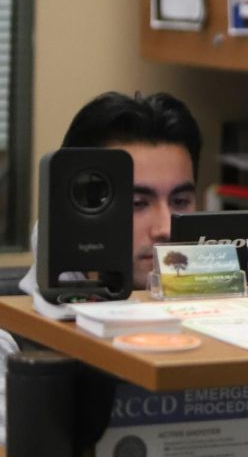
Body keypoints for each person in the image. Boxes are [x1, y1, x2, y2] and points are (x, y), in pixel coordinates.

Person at [0, 91, 202, 444]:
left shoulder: (228, 311)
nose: (166, 227)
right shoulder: (14, 346)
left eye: (181, 200)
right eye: (139, 203)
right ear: (81, 206)